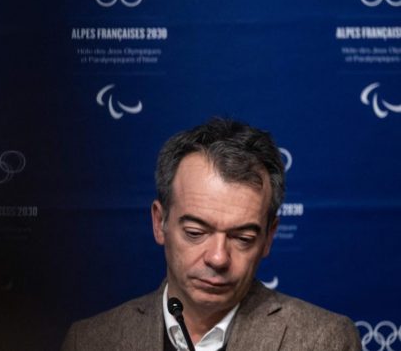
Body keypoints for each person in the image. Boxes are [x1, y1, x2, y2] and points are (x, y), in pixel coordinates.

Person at [62, 118, 361, 351]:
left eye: (243, 238)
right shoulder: (89, 340)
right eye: (195, 232)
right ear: (159, 222)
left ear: (269, 237)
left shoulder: (326, 341)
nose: (218, 258)